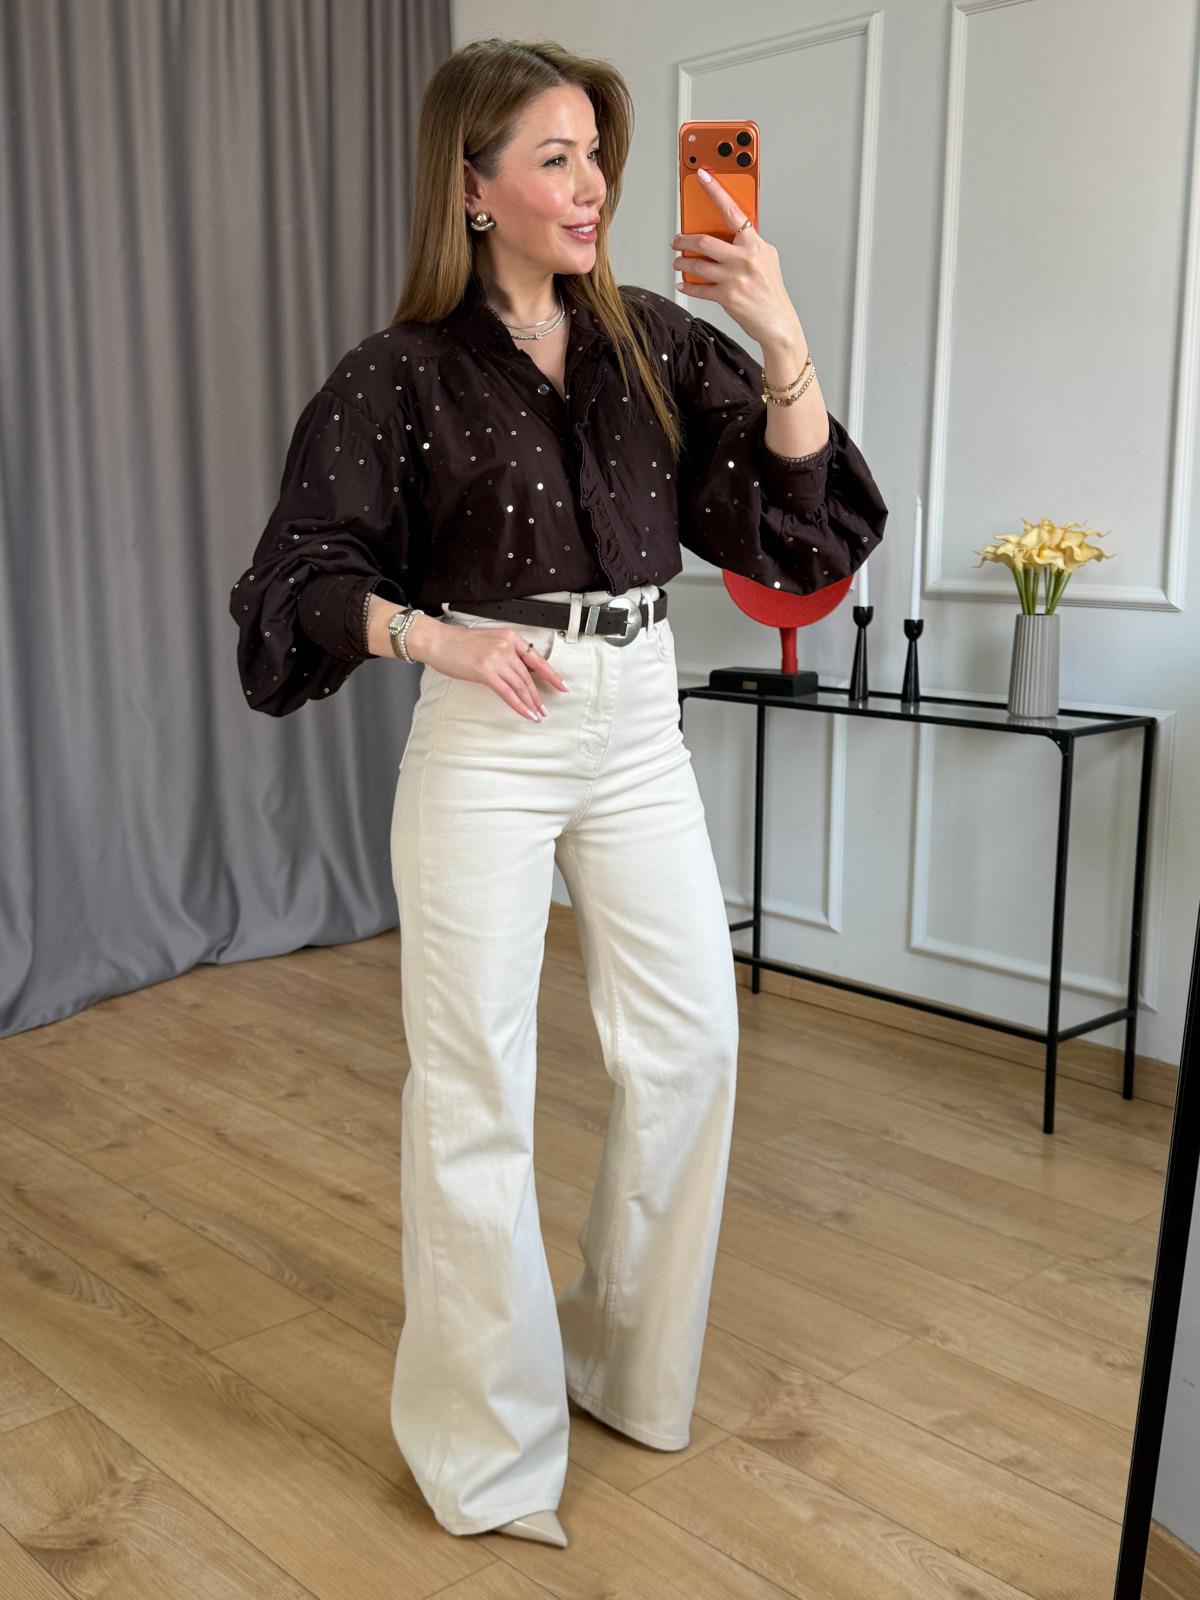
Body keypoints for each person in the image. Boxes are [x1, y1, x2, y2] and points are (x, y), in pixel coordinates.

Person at [228, 37, 888, 1548]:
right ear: (473, 188)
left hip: (639, 718)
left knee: (690, 1049)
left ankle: (613, 1363)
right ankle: (487, 1450)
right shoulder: (395, 374)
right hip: (489, 727)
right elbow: (296, 581)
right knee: (473, 1083)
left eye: (597, 155)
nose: (592, 185)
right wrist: (435, 638)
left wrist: (781, 333)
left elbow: (796, 527)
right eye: (555, 158)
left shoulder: (654, 339)